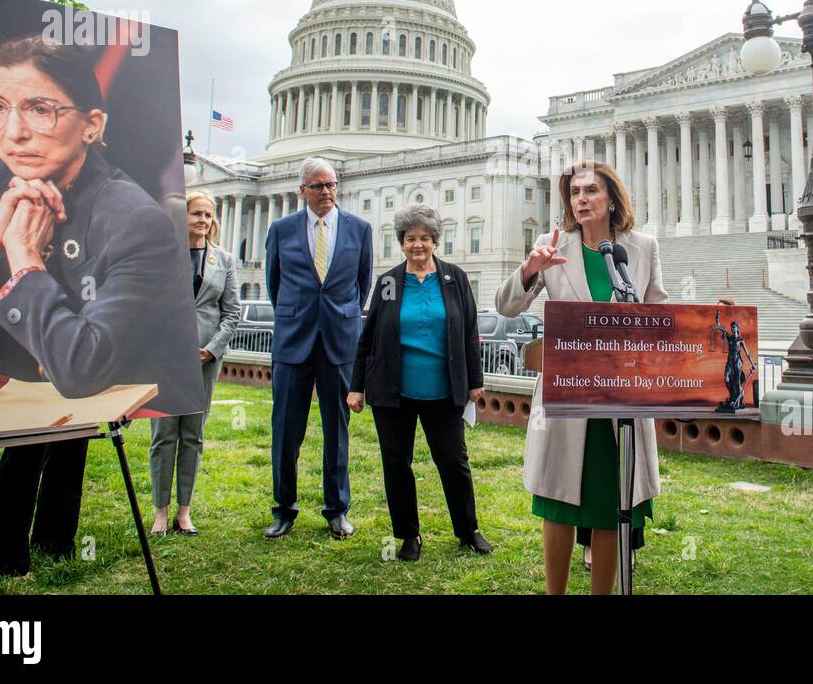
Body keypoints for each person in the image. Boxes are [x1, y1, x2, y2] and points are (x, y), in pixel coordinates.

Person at [0, 35, 201, 576]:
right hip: (7, 366)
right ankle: (11, 557)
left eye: (41, 109)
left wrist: (25, 259)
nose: (14, 133)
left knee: (71, 449)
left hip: (84, 372)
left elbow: (81, 368)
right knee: (23, 454)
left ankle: (56, 542)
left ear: (92, 125)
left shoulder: (133, 218)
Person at [496, 159, 667, 594]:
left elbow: (659, 315)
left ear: (612, 198)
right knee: (557, 502)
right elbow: (506, 307)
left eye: (591, 190)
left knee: (611, 503)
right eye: (574, 193)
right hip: (566, 398)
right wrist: (532, 269)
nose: (581, 199)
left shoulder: (642, 247)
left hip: (621, 400)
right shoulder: (552, 245)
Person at [347, 204, 489, 561]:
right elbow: (368, 338)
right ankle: (408, 535)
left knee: (453, 461)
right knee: (396, 463)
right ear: (401, 242)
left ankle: (468, 530)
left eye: (424, 238)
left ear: (435, 241)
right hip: (393, 391)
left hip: (443, 390)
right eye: (410, 238)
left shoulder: (454, 279)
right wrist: (356, 385)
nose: (418, 245)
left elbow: (470, 332)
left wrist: (475, 380)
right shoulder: (390, 283)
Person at [263, 157, 372, 540]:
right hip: (293, 341)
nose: (326, 192)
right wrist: (297, 317)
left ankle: (337, 510)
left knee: (336, 431)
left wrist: (339, 319)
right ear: (302, 190)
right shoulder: (280, 229)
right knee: (286, 430)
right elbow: (274, 285)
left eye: (331, 185)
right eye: (318, 186)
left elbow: (363, 283)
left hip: (339, 342)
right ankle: (283, 508)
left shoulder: (360, 229)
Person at [148, 190, 240, 536]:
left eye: (207, 215)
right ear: (181, 218)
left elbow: (232, 314)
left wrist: (212, 349)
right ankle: (160, 510)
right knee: (163, 435)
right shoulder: (162, 257)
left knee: (193, 435)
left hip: (205, 359)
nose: (203, 221)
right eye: (196, 214)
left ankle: (184, 511)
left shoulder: (225, 260)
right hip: (166, 359)